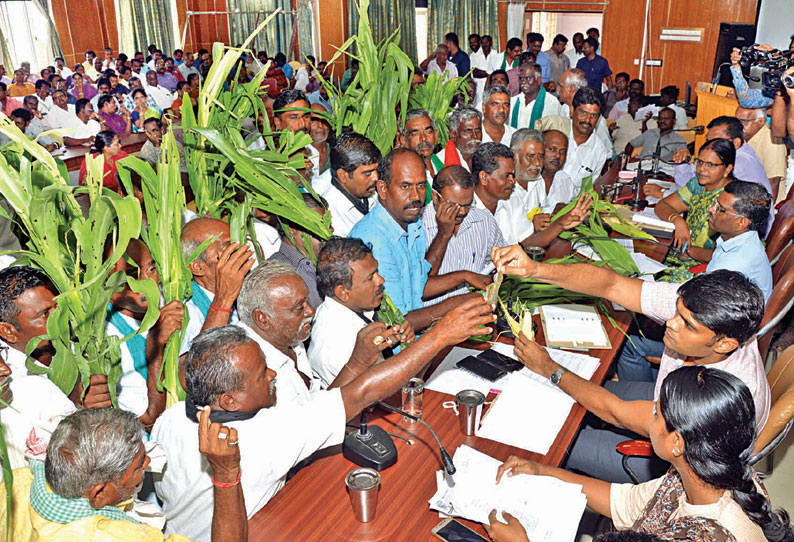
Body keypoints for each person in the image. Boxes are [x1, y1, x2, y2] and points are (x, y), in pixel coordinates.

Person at [154, 285, 494, 541]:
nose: (273, 374)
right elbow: (362, 393)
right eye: (262, 374)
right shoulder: (268, 435)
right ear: (229, 400)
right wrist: (440, 336)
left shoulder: (169, 419)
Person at [491, 244, 771, 483]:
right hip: (660, 409)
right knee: (576, 396)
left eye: (686, 324)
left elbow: (617, 413)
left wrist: (549, 368)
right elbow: (612, 285)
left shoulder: (721, 395)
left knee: (553, 441)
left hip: (674, 471)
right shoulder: (705, 314)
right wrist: (534, 269)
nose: (670, 323)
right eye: (676, 312)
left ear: (724, 344)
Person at [484, 366, 793, 542]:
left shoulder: (706, 535)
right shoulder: (703, 474)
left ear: (677, 443)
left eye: (657, 414)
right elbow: (624, 502)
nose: (650, 418)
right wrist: (544, 471)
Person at [0, 406, 248, 541]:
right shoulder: (117, 537)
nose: (148, 462)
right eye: (139, 464)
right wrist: (226, 473)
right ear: (98, 494)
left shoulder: (16, 482)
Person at [619, 179, 773, 384]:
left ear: (741, 222)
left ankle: (652, 398)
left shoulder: (734, 265)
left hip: (712, 347)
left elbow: (700, 317)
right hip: (720, 329)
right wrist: (691, 252)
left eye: (720, 209)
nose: (711, 209)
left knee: (629, 342)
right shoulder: (741, 241)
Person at [350, 148, 493, 327]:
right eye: (405, 186)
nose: (416, 196)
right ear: (383, 189)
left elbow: (420, 285)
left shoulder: (412, 222)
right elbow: (400, 323)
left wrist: (464, 276)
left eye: (420, 186)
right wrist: (459, 303)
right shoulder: (374, 241)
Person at [0, 266, 112, 469]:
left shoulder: (81, 349)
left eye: (58, 308)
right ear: (8, 331)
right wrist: (82, 413)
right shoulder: (12, 384)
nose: (61, 319)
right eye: (45, 314)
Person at [310, 238, 415, 386]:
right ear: (343, 292)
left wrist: (392, 341)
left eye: (377, 272)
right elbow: (384, 391)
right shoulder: (335, 345)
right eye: (370, 277)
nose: (381, 280)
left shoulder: (355, 306)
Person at [473, 141, 590, 248]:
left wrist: (560, 223)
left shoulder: (512, 199)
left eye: (513, 175)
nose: (512, 181)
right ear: (484, 177)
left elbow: (529, 241)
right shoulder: (466, 211)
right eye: (506, 176)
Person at [655, 139, 739, 282]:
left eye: (711, 165)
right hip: (682, 254)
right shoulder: (698, 185)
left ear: (727, 169)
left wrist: (690, 251)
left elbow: (729, 255)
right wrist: (678, 220)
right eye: (699, 162)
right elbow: (662, 206)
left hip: (707, 268)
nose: (701, 169)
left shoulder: (731, 200)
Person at [673, 116, 774, 233]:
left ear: (735, 142)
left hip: (743, 230)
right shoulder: (740, 151)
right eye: (708, 141)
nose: (711, 146)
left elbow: (695, 193)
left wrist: (662, 192)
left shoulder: (739, 163)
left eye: (718, 141)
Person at [422, 165, 506, 304]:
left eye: (467, 204)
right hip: (432, 319)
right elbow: (421, 284)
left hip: (477, 309)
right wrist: (443, 234)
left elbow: (499, 260)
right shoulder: (417, 228)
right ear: (435, 197)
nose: (461, 212)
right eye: (453, 205)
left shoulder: (483, 221)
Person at [179, 217, 255, 355]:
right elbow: (197, 368)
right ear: (198, 267)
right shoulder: (187, 315)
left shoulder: (247, 288)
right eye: (227, 248)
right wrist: (224, 298)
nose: (239, 253)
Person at [267, 193, 328, 308]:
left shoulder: (325, 259)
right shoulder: (278, 275)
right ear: (291, 230)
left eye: (328, 224)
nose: (329, 231)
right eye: (319, 226)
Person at [318, 131, 380, 236]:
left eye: (376, 170)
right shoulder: (331, 217)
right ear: (343, 176)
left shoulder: (371, 193)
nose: (376, 177)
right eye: (367, 173)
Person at [513, 128, 576, 220]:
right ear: (514, 155)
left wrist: (557, 211)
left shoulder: (538, 181)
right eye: (530, 156)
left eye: (541, 156)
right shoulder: (504, 187)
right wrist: (532, 227)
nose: (537, 163)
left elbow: (544, 211)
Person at [561, 86, 611, 191]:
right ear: (572, 110)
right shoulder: (557, 134)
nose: (587, 120)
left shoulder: (599, 151)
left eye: (594, 115)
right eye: (583, 113)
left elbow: (587, 191)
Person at [736, 106, 787, 201]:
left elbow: (772, 184)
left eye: (744, 121)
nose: (738, 126)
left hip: (761, 205)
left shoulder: (771, 142)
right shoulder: (742, 138)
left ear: (761, 121)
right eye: (736, 121)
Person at [509, 63, 560, 130]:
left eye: (528, 78)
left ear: (538, 80)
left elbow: (552, 131)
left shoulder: (551, 102)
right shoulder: (514, 101)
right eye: (521, 79)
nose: (523, 82)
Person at [435, 106, 483, 171]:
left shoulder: (487, 158)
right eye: (468, 131)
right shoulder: (439, 163)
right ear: (453, 135)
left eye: (478, 130)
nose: (475, 136)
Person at [541, 129, 577, 212]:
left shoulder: (566, 181)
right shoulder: (527, 181)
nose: (557, 155)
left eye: (562, 151)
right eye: (552, 149)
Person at [400, 109, 440, 181]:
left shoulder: (443, 161)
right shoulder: (404, 174)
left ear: (436, 135)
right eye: (415, 134)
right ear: (404, 141)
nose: (424, 138)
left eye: (428, 132)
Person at [470, 34, 495, 106]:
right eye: (482, 43)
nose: (484, 45)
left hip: (491, 87)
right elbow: (475, 73)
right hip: (478, 88)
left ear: (491, 43)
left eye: (486, 42)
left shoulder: (495, 54)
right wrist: (489, 74)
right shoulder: (474, 55)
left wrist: (484, 73)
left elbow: (496, 73)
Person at [309, 103, 332, 178]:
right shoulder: (298, 154)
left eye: (324, 121)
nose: (320, 126)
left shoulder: (334, 152)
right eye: (314, 121)